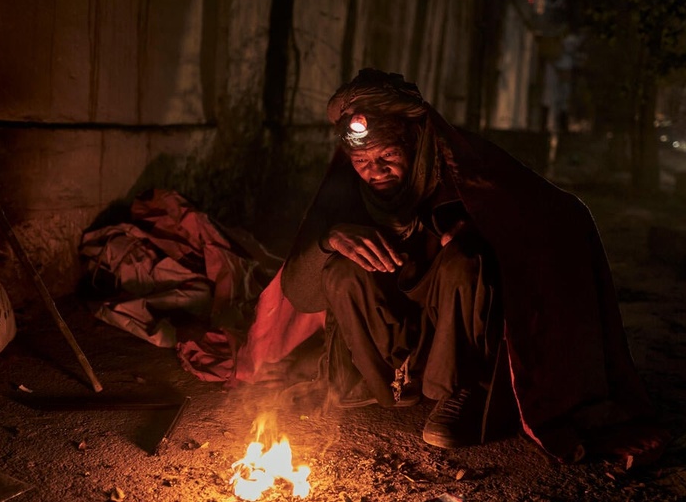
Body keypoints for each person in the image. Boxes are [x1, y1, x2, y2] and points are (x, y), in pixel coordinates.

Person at [280, 68, 666, 463]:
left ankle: (461, 391)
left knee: (467, 262)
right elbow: (302, 295)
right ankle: (386, 383)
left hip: (453, 331)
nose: (373, 170)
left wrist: (479, 232)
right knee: (342, 271)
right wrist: (328, 240)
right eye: (361, 159)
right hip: (391, 338)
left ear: (415, 143)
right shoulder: (348, 193)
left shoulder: (461, 174)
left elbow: (558, 217)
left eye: (388, 156)